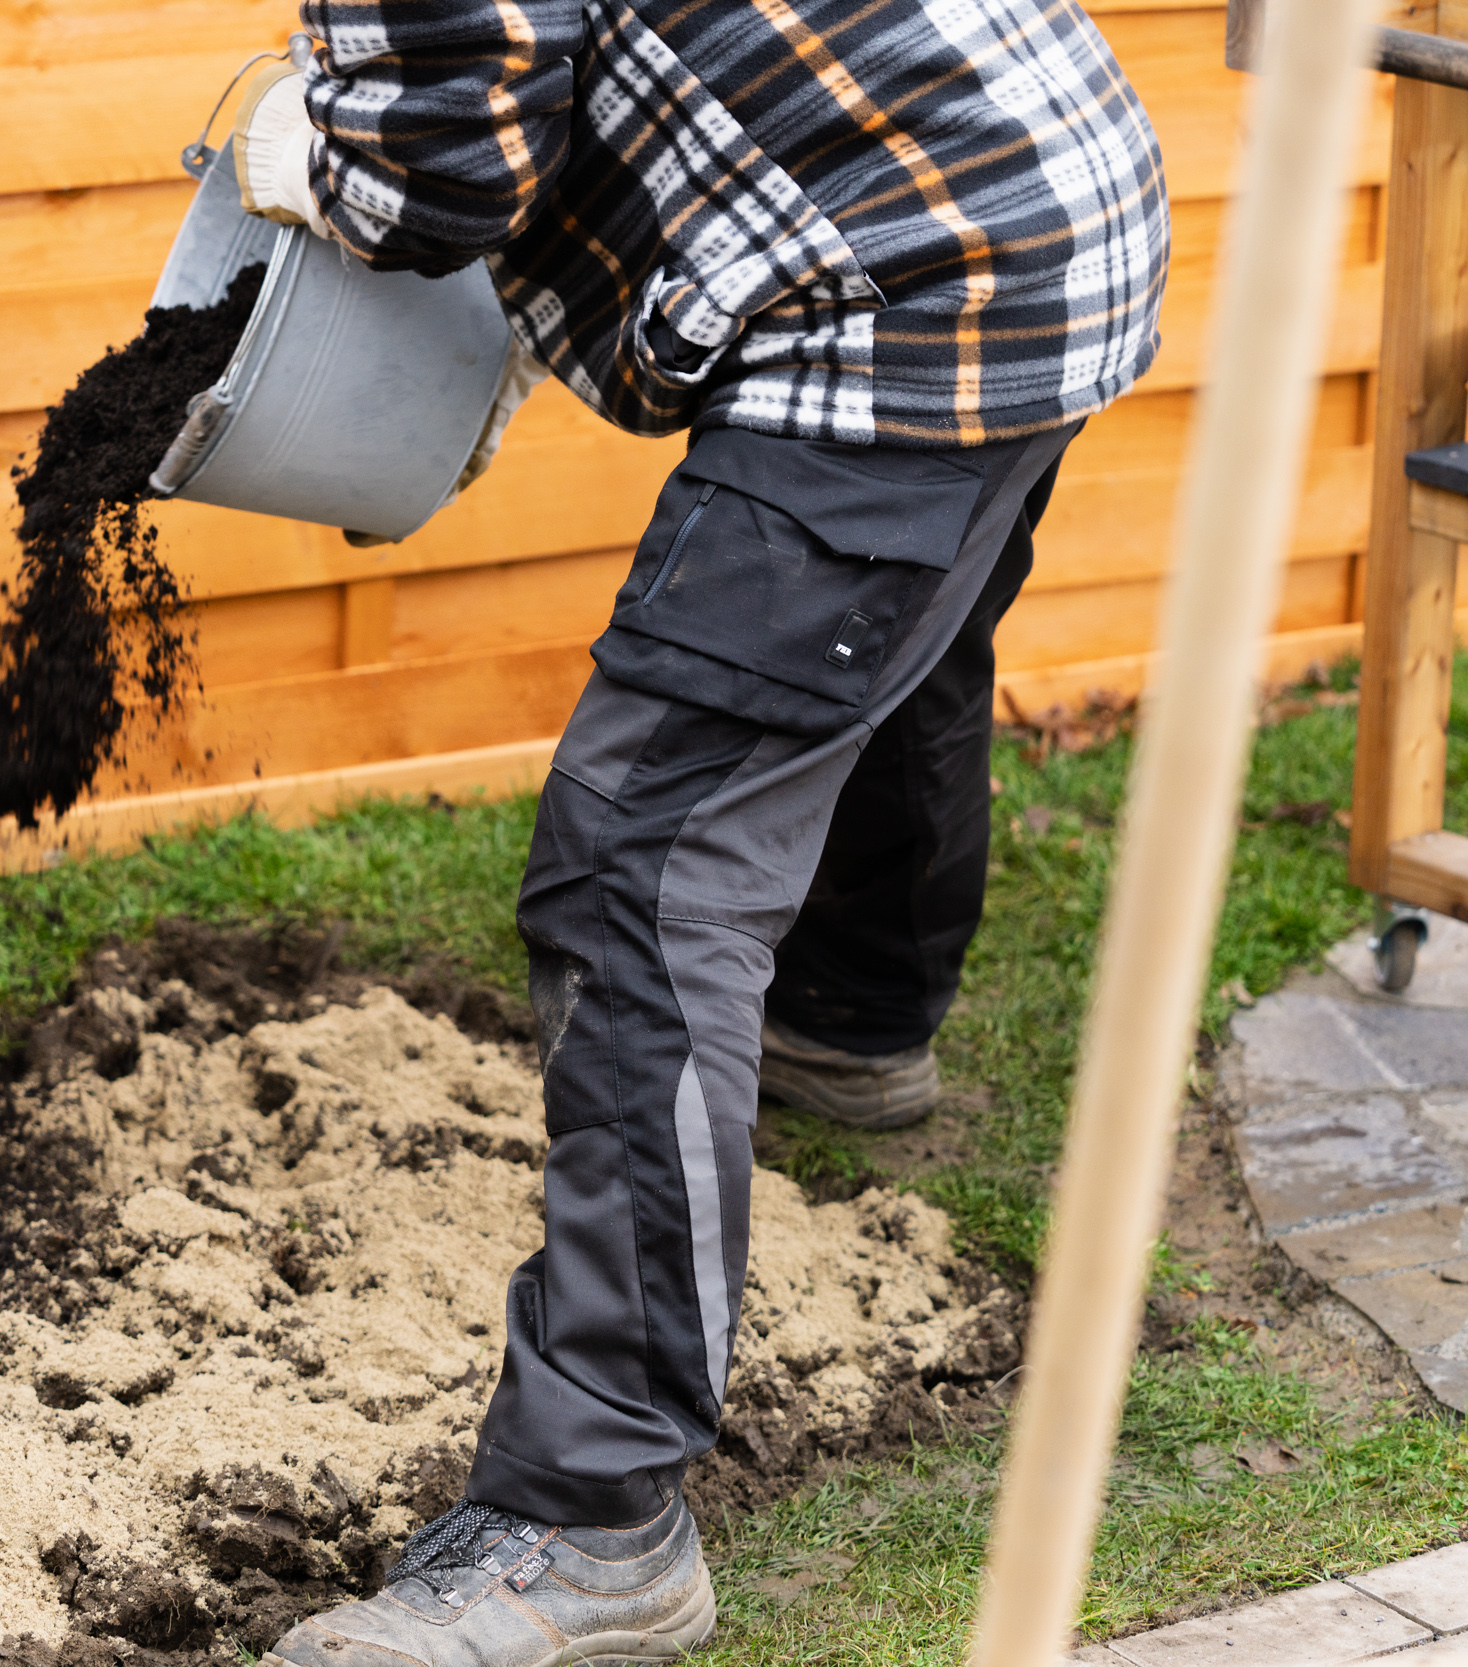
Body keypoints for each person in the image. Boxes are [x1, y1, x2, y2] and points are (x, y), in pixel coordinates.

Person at [229, 0, 1169, 1656]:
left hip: (909, 274)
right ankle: (855, 1030)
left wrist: (312, 159)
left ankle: (595, 1518)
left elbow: (445, 161)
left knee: (642, 868)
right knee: (878, 640)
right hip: (1039, 191)